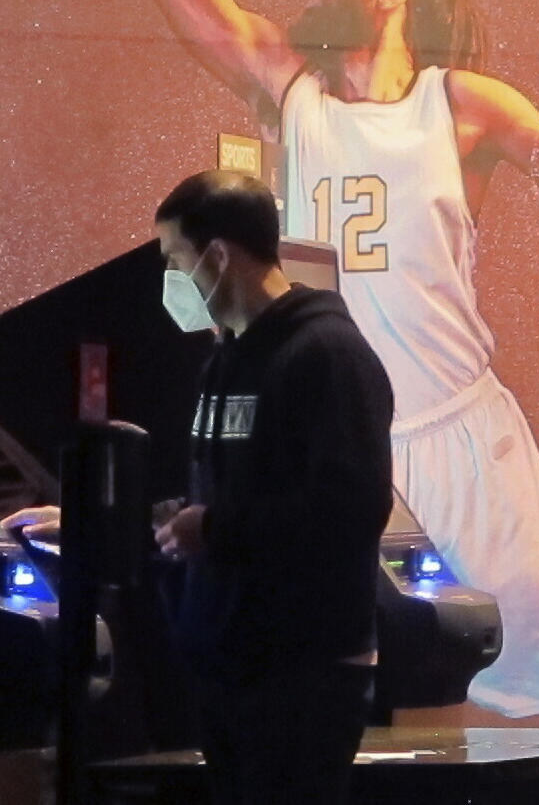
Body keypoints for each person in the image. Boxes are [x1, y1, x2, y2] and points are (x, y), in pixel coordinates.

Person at [63, 0, 539, 760]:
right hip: (340, 458)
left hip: (463, 446)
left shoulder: (459, 106)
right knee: (367, 728)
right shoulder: (286, 87)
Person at [152, 169, 394, 805]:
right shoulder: (225, 358)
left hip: (302, 676)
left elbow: (352, 508)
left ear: (218, 255)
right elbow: (221, 490)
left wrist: (215, 529)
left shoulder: (328, 354)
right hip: (231, 667)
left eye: (175, 257)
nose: (170, 277)